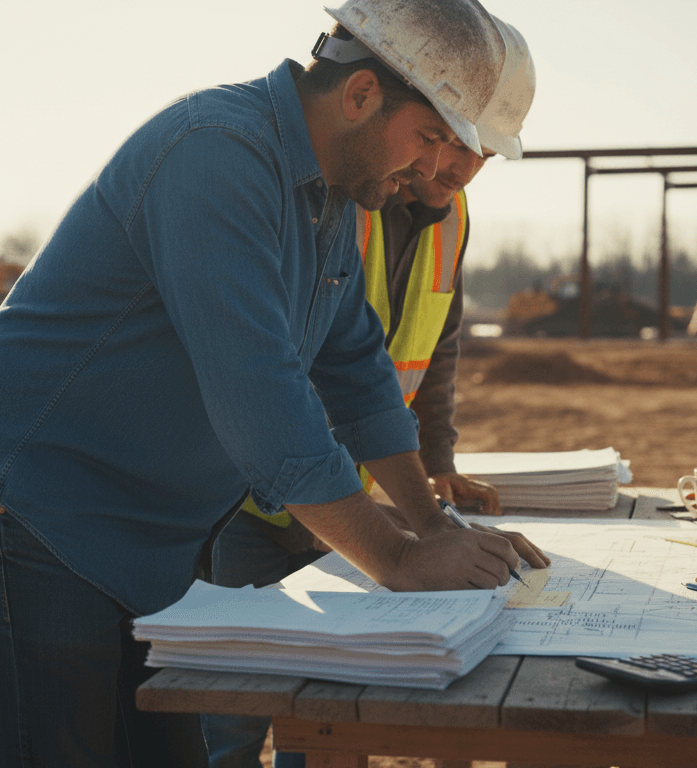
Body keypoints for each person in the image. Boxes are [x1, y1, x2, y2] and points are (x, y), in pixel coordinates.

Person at [0, 1, 549, 765]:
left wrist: (433, 525)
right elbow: (261, 396)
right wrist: (400, 560)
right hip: (40, 513)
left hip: (152, 536)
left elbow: (356, 372)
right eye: (427, 138)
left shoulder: (329, 200)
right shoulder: (217, 153)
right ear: (360, 97)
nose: (428, 170)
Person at [201, 17, 536, 768]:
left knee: (325, 714)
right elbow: (269, 385)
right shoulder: (321, 186)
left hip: (347, 492)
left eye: (476, 157)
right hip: (257, 498)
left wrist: (430, 499)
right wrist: (403, 546)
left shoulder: (427, 209)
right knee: (232, 714)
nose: (452, 170)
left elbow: (389, 359)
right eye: (441, 146)